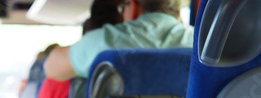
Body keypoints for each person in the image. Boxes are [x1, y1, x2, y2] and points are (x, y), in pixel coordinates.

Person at [44, 0, 194, 81]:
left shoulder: (104, 41)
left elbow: (50, 68)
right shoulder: (203, 44)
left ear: (133, 6)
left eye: (123, 7)